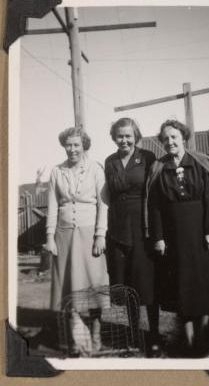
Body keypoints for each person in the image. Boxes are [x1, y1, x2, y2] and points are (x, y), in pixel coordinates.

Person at [146, 119, 209, 357]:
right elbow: (155, 207)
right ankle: (190, 341)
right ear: (161, 143)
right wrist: (158, 237)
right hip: (175, 237)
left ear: (183, 138)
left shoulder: (201, 162)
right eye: (165, 138)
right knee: (183, 288)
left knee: (204, 286)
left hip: (201, 234)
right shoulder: (158, 168)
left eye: (174, 137)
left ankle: (204, 337)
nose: (170, 142)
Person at [45, 126, 109, 355]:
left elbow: (104, 205)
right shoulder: (56, 171)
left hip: (89, 233)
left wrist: (100, 234)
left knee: (93, 285)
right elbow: (52, 205)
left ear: (84, 146)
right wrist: (49, 237)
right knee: (69, 287)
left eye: (76, 145)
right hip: (64, 234)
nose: (72, 149)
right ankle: (77, 338)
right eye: (68, 145)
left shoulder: (96, 169)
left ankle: (96, 331)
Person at [105, 117, 160, 356]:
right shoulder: (109, 161)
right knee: (128, 287)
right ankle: (133, 336)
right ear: (114, 137)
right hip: (117, 229)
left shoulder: (148, 157)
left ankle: (155, 336)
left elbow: (156, 193)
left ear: (136, 135)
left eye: (128, 135)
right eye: (120, 136)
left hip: (142, 228)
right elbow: (107, 196)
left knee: (148, 284)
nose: (124, 140)